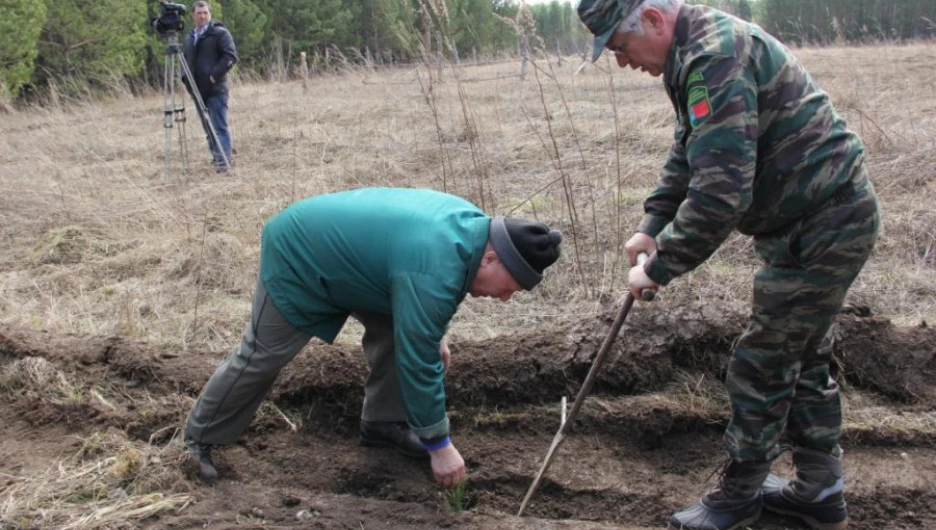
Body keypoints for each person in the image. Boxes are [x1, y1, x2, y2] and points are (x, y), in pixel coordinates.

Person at [577, 1, 880, 529]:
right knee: (802, 356)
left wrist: (659, 266)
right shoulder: (694, 55)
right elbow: (692, 147)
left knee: (762, 362)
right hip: (804, 224)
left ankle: (739, 498)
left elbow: (721, 196)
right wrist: (653, 222)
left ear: (651, 18)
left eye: (620, 46)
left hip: (826, 222)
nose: (622, 61)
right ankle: (819, 492)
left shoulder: (714, 56)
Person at [184, 187, 563, 489]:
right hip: (301, 254)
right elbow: (418, 360)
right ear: (492, 259)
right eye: (510, 287)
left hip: (361, 267)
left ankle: (382, 425)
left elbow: (420, 305)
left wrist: (434, 334)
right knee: (262, 355)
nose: (504, 298)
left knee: (401, 336)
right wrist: (439, 445)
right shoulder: (436, 264)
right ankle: (197, 439)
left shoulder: (469, 234)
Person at [182, 0, 237, 173]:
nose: (202, 16)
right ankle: (217, 157)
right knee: (208, 128)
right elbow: (185, 61)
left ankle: (224, 163)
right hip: (197, 91)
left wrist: (213, 76)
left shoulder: (219, 33)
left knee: (219, 127)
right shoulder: (190, 37)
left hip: (216, 90)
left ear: (210, 14)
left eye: (205, 13)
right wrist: (186, 80)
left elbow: (230, 57)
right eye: (199, 13)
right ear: (193, 15)